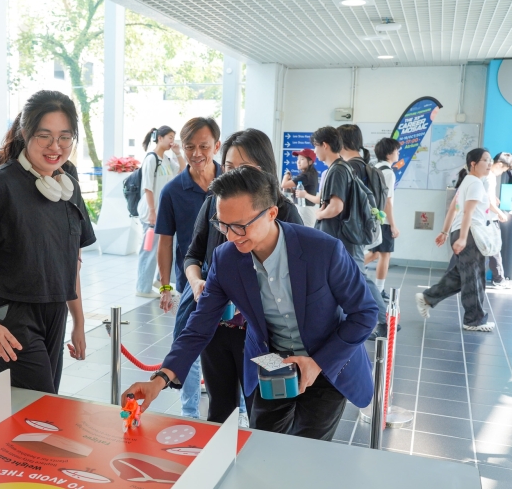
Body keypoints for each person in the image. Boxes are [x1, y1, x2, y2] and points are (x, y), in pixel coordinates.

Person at [123, 166, 377, 440]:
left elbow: (365, 313)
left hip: (327, 362)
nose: (231, 236)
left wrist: (317, 363)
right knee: (261, 444)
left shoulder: (323, 250)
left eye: (240, 226)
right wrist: (160, 380)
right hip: (271, 361)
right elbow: (200, 325)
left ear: (271, 213)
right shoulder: (227, 258)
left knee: (309, 452)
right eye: (223, 225)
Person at [0, 90, 96, 391]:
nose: (56, 147)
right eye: (44, 136)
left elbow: (71, 261)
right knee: (39, 411)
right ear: (25, 133)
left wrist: (78, 321)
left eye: (65, 137)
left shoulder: (67, 185)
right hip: (8, 315)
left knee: (42, 410)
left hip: (54, 313)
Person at [185, 129, 302, 426]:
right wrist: (197, 282)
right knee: (218, 410)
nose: (234, 175)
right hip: (217, 327)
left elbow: (298, 279)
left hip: (264, 334)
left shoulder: (284, 212)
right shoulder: (215, 204)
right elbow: (192, 255)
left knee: (262, 413)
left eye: (244, 168)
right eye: (228, 167)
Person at [155, 117, 223, 418]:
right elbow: (166, 243)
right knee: (189, 344)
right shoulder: (172, 191)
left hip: (235, 284)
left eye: (204, 146)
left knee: (238, 347)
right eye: (190, 146)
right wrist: (167, 287)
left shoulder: (233, 184)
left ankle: (244, 413)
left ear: (216, 146)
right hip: (192, 283)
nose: (197, 153)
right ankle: (190, 413)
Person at [312, 126, 388, 339]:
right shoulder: (344, 168)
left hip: (343, 238)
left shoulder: (337, 169)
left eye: (316, 147)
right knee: (352, 278)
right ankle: (369, 320)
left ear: (325, 145)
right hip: (346, 236)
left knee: (357, 279)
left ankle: (379, 319)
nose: (315, 152)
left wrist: (318, 215)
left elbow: (336, 207)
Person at [416, 148, 495, 332]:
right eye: (485, 160)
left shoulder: (467, 181)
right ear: (473, 164)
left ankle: (428, 297)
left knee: (460, 275)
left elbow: (453, 208)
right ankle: (473, 320)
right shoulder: (475, 183)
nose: (489, 163)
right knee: (474, 277)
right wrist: (462, 238)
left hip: (461, 232)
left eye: (490, 160)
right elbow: (467, 212)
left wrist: (445, 232)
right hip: (470, 235)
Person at [136, 126, 184, 298]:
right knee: (148, 248)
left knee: (167, 247)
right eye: (170, 137)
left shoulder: (166, 159)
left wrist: (178, 153)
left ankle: (158, 279)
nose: (172, 141)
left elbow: (183, 171)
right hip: (151, 213)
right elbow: (147, 188)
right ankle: (142, 288)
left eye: (174, 138)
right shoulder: (151, 159)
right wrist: (152, 212)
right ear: (160, 138)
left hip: (163, 213)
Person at [364, 138, 401, 300]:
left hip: (371, 216)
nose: (398, 153)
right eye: (396, 151)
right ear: (389, 153)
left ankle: (349, 270)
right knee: (385, 254)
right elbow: (388, 201)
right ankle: (379, 290)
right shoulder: (388, 172)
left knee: (374, 253)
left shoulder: (373, 167)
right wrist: (393, 224)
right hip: (382, 219)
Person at [487, 152, 512, 289]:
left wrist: (494, 199)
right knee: (495, 248)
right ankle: (499, 279)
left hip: (484, 219)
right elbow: (488, 202)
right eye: (504, 169)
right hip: (489, 220)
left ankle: (498, 278)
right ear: (499, 164)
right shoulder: (490, 177)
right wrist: (500, 213)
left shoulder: (486, 174)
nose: (503, 172)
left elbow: (488, 197)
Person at [281, 148, 319, 227]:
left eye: (302, 159)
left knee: (305, 234)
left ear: (310, 162)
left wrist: (286, 175)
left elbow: (284, 184)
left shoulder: (306, 175)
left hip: (305, 209)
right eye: (298, 159)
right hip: (305, 209)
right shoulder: (310, 173)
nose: (298, 162)